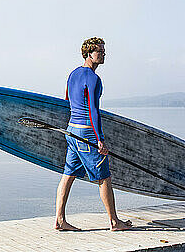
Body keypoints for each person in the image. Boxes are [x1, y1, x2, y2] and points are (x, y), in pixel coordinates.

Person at [55, 37, 133, 231]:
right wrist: (100, 140)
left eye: (104, 50)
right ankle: (114, 222)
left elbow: (68, 100)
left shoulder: (73, 74)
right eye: (99, 50)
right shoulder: (93, 78)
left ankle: (59, 220)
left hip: (72, 130)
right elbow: (93, 110)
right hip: (87, 133)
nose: (103, 53)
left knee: (68, 175)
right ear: (88, 53)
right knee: (104, 177)